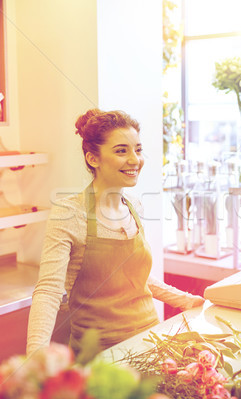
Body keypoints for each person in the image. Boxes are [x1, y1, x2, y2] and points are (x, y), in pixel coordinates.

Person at [27, 109, 204, 355]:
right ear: (93, 159)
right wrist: (35, 359)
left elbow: (135, 278)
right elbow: (48, 292)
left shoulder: (133, 206)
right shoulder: (69, 214)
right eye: (122, 151)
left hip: (151, 343)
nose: (135, 160)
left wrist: (187, 301)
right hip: (100, 355)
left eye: (138, 150)